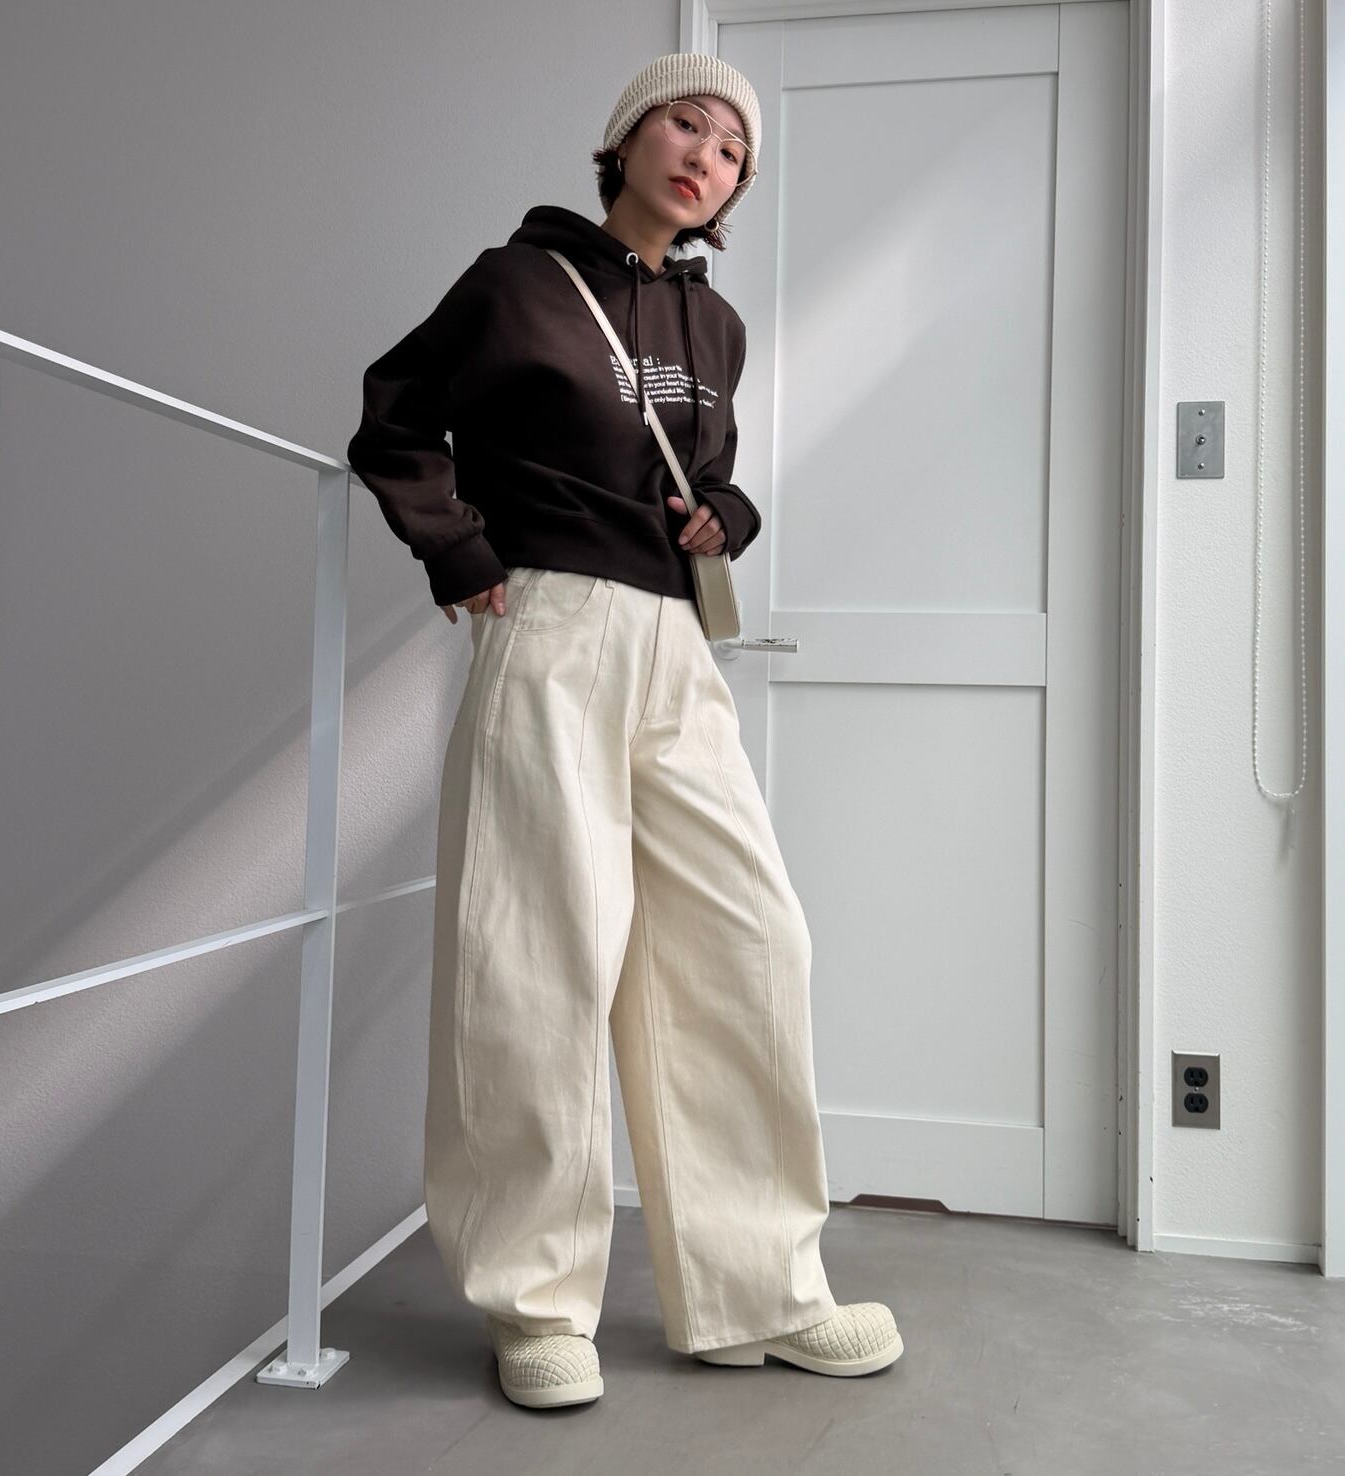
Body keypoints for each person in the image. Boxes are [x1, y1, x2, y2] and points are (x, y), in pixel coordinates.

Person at [347, 51, 904, 1410]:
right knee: (535, 956)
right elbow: (396, 416)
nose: (706, 156)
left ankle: (760, 1289)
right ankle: (534, 1303)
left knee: (749, 940)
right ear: (626, 138)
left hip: (672, 644)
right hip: (547, 624)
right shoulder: (516, 284)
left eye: (733, 150)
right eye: (685, 124)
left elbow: (704, 476)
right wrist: (456, 549)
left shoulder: (718, 326)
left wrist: (733, 513)